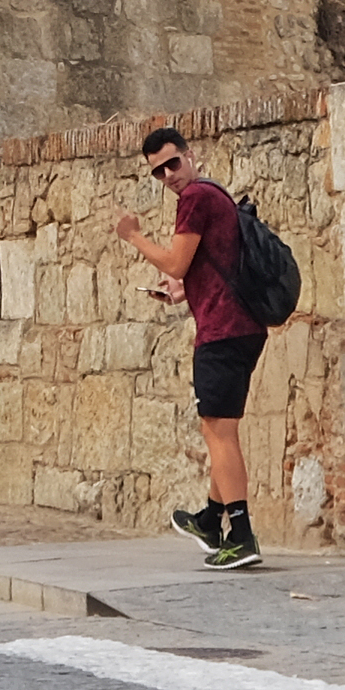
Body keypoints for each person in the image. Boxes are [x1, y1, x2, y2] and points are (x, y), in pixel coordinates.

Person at [109, 122, 264, 570]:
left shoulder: (195, 198)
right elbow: (205, 265)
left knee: (220, 434)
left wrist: (133, 236)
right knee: (218, 431)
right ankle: (211, 520)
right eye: (158, 172)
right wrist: (182, 290)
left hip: (223, 331)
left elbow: (176, 260)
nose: (168, 176)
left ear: (190, 155)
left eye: (172, 164)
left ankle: (242, 537)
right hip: (240, 325)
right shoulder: (215, 195)